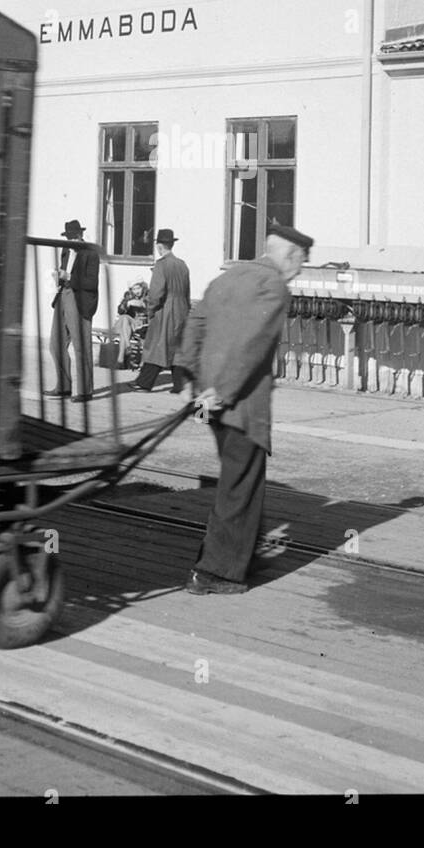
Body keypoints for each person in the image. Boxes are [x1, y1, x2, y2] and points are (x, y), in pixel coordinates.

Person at [175, 220, 313, 594]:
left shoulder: (228, 277)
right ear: (290, 255)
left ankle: (239, 554)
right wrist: (224, 391)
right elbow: (252, 344)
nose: (300, 270)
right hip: (241, 406)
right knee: (239, 487)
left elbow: (196, 322)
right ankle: (215, 573)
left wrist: (191, 378)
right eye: (301, 262)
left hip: (211, 402)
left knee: (238, 481)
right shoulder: (274, 288)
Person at [47, 219, 101, 404]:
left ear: (79, 235)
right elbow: (64, 274)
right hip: (63, 295)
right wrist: (58, 278)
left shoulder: (90, 253)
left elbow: (91, 283)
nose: (70, 240)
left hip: (80, 300)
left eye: (72, 237)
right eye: (67, 237)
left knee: (81, 347)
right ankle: (64, 386)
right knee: (56, 343)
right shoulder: (65, 250)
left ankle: (85, 391)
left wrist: (69, 276)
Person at [131, 229, 191, 392]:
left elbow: (156, 293)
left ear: (159, 246)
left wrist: (150, 310)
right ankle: (180, 385)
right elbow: (187, 291)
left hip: (166, 309)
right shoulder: (182, 264)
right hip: (182, 309)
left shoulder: (161, 265)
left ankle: (144, 382)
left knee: (157, 345)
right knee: (177, 348)